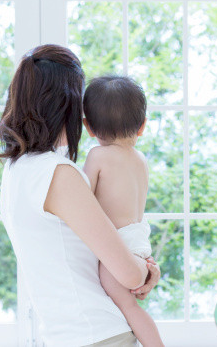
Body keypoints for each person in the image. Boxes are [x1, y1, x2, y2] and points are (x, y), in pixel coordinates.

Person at [0, 44, 160, 347]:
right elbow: (129, 274)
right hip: (99, 333)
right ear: (71, 106)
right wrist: (149, 271)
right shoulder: (59, 174)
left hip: (64, 335)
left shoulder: (15, 171)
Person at [82, 76, 164, 347]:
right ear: (142, 126)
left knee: (129, 309)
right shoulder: (140, 160)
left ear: (89, 127)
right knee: (130, 307)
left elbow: (82, 197)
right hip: (138, 241)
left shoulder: (97, 156)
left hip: (118, 246)